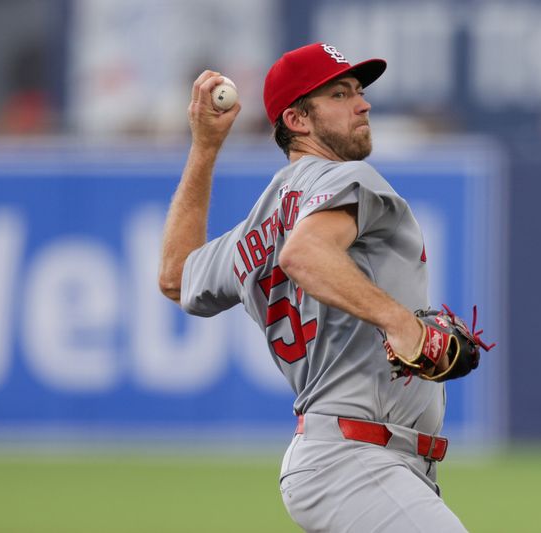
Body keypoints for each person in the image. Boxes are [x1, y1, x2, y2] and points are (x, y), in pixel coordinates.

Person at [158, 43, 468, 532]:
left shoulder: (256, 229)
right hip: (356, 459)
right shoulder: (351, 178)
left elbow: (176, 277)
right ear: (298, 120)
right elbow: (303, 254)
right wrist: (401, 322)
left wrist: (203, 148)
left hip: (348, 461)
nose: (362, 103)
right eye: (341, 94)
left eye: (359, 91)